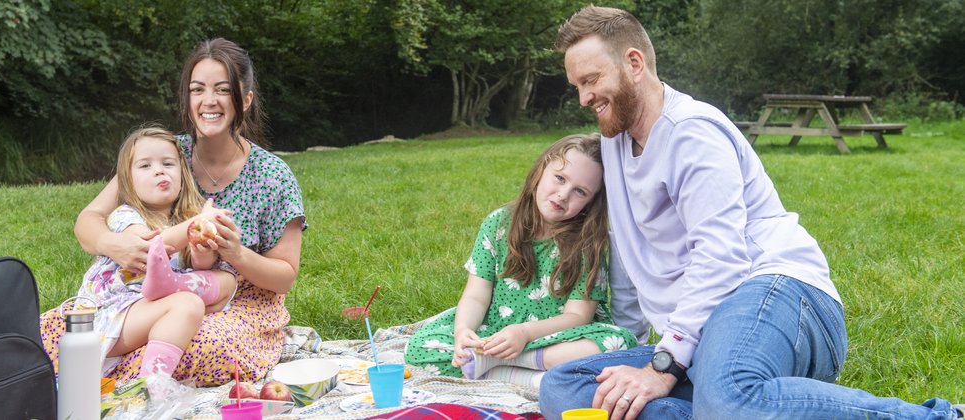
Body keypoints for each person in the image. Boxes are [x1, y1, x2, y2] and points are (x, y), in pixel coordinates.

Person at [539, 5, 964, 420]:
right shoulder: (614, 143)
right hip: (703, 335)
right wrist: (638, 361)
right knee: (565, 385)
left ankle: (940, 417)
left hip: (779, 293)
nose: (583, 97)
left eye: (591, 80)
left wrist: (661, 369)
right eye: (577, 85)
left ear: (633, 62)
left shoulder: (692, 133)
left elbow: (721, 259)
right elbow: (630, 257)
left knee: (728, 397)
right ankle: (738, 407)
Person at [40, 38, 307, 387]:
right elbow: (88, 220)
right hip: (148, 298)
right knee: (54, 333)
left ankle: (131, 377)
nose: (208, 101)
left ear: (245, 99)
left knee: (202, 345)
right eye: (198, 89)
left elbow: (285, 275)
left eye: (222, 90)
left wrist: (235, 253)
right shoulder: (164, 155)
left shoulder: (272, 176)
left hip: (237, 300)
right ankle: (129, 369)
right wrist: (114, 244)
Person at [404, 133, 637, 388]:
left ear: (591, 202)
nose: (562, 195)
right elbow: (476, 296)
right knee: (420, 346)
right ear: (540, 170)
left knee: (618, 344)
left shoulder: (587, 241)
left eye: (580, 191)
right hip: (495, 332)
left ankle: (497, 365)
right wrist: (463, 331)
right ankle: (528, 376)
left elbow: (578, 315)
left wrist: (524, 334)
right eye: (559, 178)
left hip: (555, 338)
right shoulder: (498, 224)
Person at [76, 125, 237, 379]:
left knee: (227, 281)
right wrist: (197, 225)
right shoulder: (125, 216)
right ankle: (154, 386)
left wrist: (201, 248)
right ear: (127, 180)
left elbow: (201, 268)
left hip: (151, 306)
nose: (159, 170)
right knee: (189, 304)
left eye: (168, 164)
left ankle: (173, 286)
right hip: (114, 314)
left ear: (182, 173)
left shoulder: (185, 218)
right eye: (145, 166)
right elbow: (154, 247)